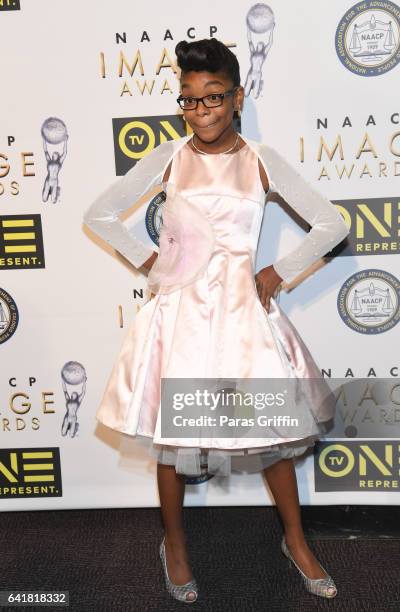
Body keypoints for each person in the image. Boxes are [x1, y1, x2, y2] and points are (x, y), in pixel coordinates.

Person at [83, 38, 349, 604]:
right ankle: (174, 546)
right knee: (172, 444)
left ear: (237, 97)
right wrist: (153, 261)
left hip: (242, 316)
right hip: (181, 318)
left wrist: (281, 271)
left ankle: (295, 542)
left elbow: (331, 224)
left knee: (274, 439)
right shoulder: (169, 158)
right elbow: (100, 215)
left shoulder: (260, 160)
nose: (201, 111)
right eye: (189, 100)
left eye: (213, 98)